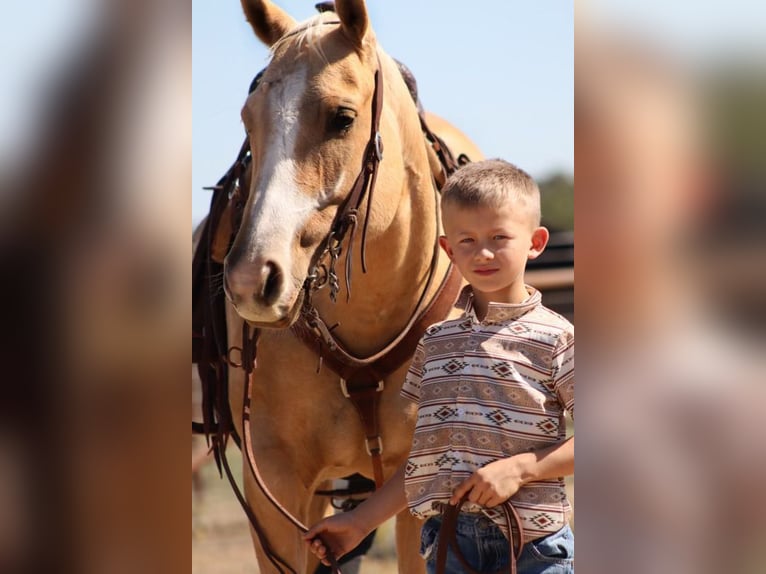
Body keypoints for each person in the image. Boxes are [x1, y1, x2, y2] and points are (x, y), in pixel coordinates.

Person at [304, 159, 575, 573]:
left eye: (499, 237)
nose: (482, 252)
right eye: (465, 241)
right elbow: (427, 459)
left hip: (533, 550)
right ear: (448, 250)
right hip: (449, 547)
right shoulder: (435, 344)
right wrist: (360, 522)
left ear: (535, 242)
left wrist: (521, 469)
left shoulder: (556, 338)